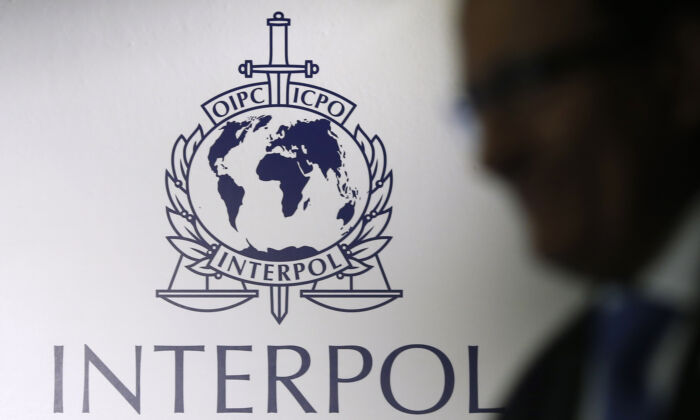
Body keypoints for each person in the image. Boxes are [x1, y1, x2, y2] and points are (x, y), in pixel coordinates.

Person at [461, 0, 700, 419]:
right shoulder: (541, 395)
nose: (493, 153)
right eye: (480, 104)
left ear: (678, 66)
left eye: (524, 82)